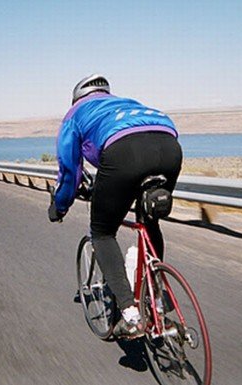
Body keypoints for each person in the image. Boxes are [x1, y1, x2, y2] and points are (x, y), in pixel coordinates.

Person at [48, 74, 183, 339]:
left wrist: (59, 207)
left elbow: (69, 170)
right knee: (149, 221)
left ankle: (130, 315)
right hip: (169, 145)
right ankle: (155, 300)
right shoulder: (126, 103)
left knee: (103, 232)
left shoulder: (75, 114)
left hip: (124, 152)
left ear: (77, 98)